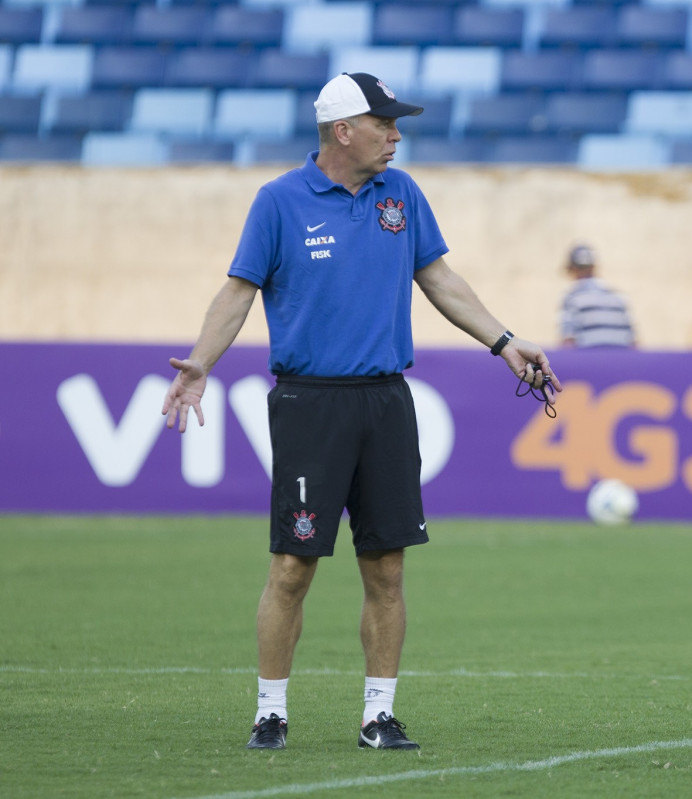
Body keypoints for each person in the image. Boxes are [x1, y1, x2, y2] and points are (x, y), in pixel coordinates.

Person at [160, 72, 561, 752]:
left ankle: (378, 714)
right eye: (386, 124)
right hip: (309, 402)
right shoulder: (279, 201)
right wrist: (202, 361)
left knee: (387, 567)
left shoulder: (401, 194)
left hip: (385, 401)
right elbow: (238, 292)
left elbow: (437, 277)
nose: (397, 135)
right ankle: (271, 712)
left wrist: (503, 341)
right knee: (293, 565)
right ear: (344, 130)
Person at [559, 244, 636, 348]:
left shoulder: (572, 297)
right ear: (594, 267)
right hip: (621, 359)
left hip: (590, 360)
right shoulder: (618, 296)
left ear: (573, 269)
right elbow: (633, 342)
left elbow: (568, 341)